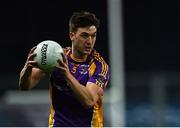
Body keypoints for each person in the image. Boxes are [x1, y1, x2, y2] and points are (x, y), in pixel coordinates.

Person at [19, 11, 110, 127]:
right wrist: (27, 70)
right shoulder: (56, 58)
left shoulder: (99, 66)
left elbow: (89, 101)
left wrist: (67, 75)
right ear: (72, 35)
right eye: (85, 35)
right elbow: (25, 86)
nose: (90, 42)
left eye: (93, 35)